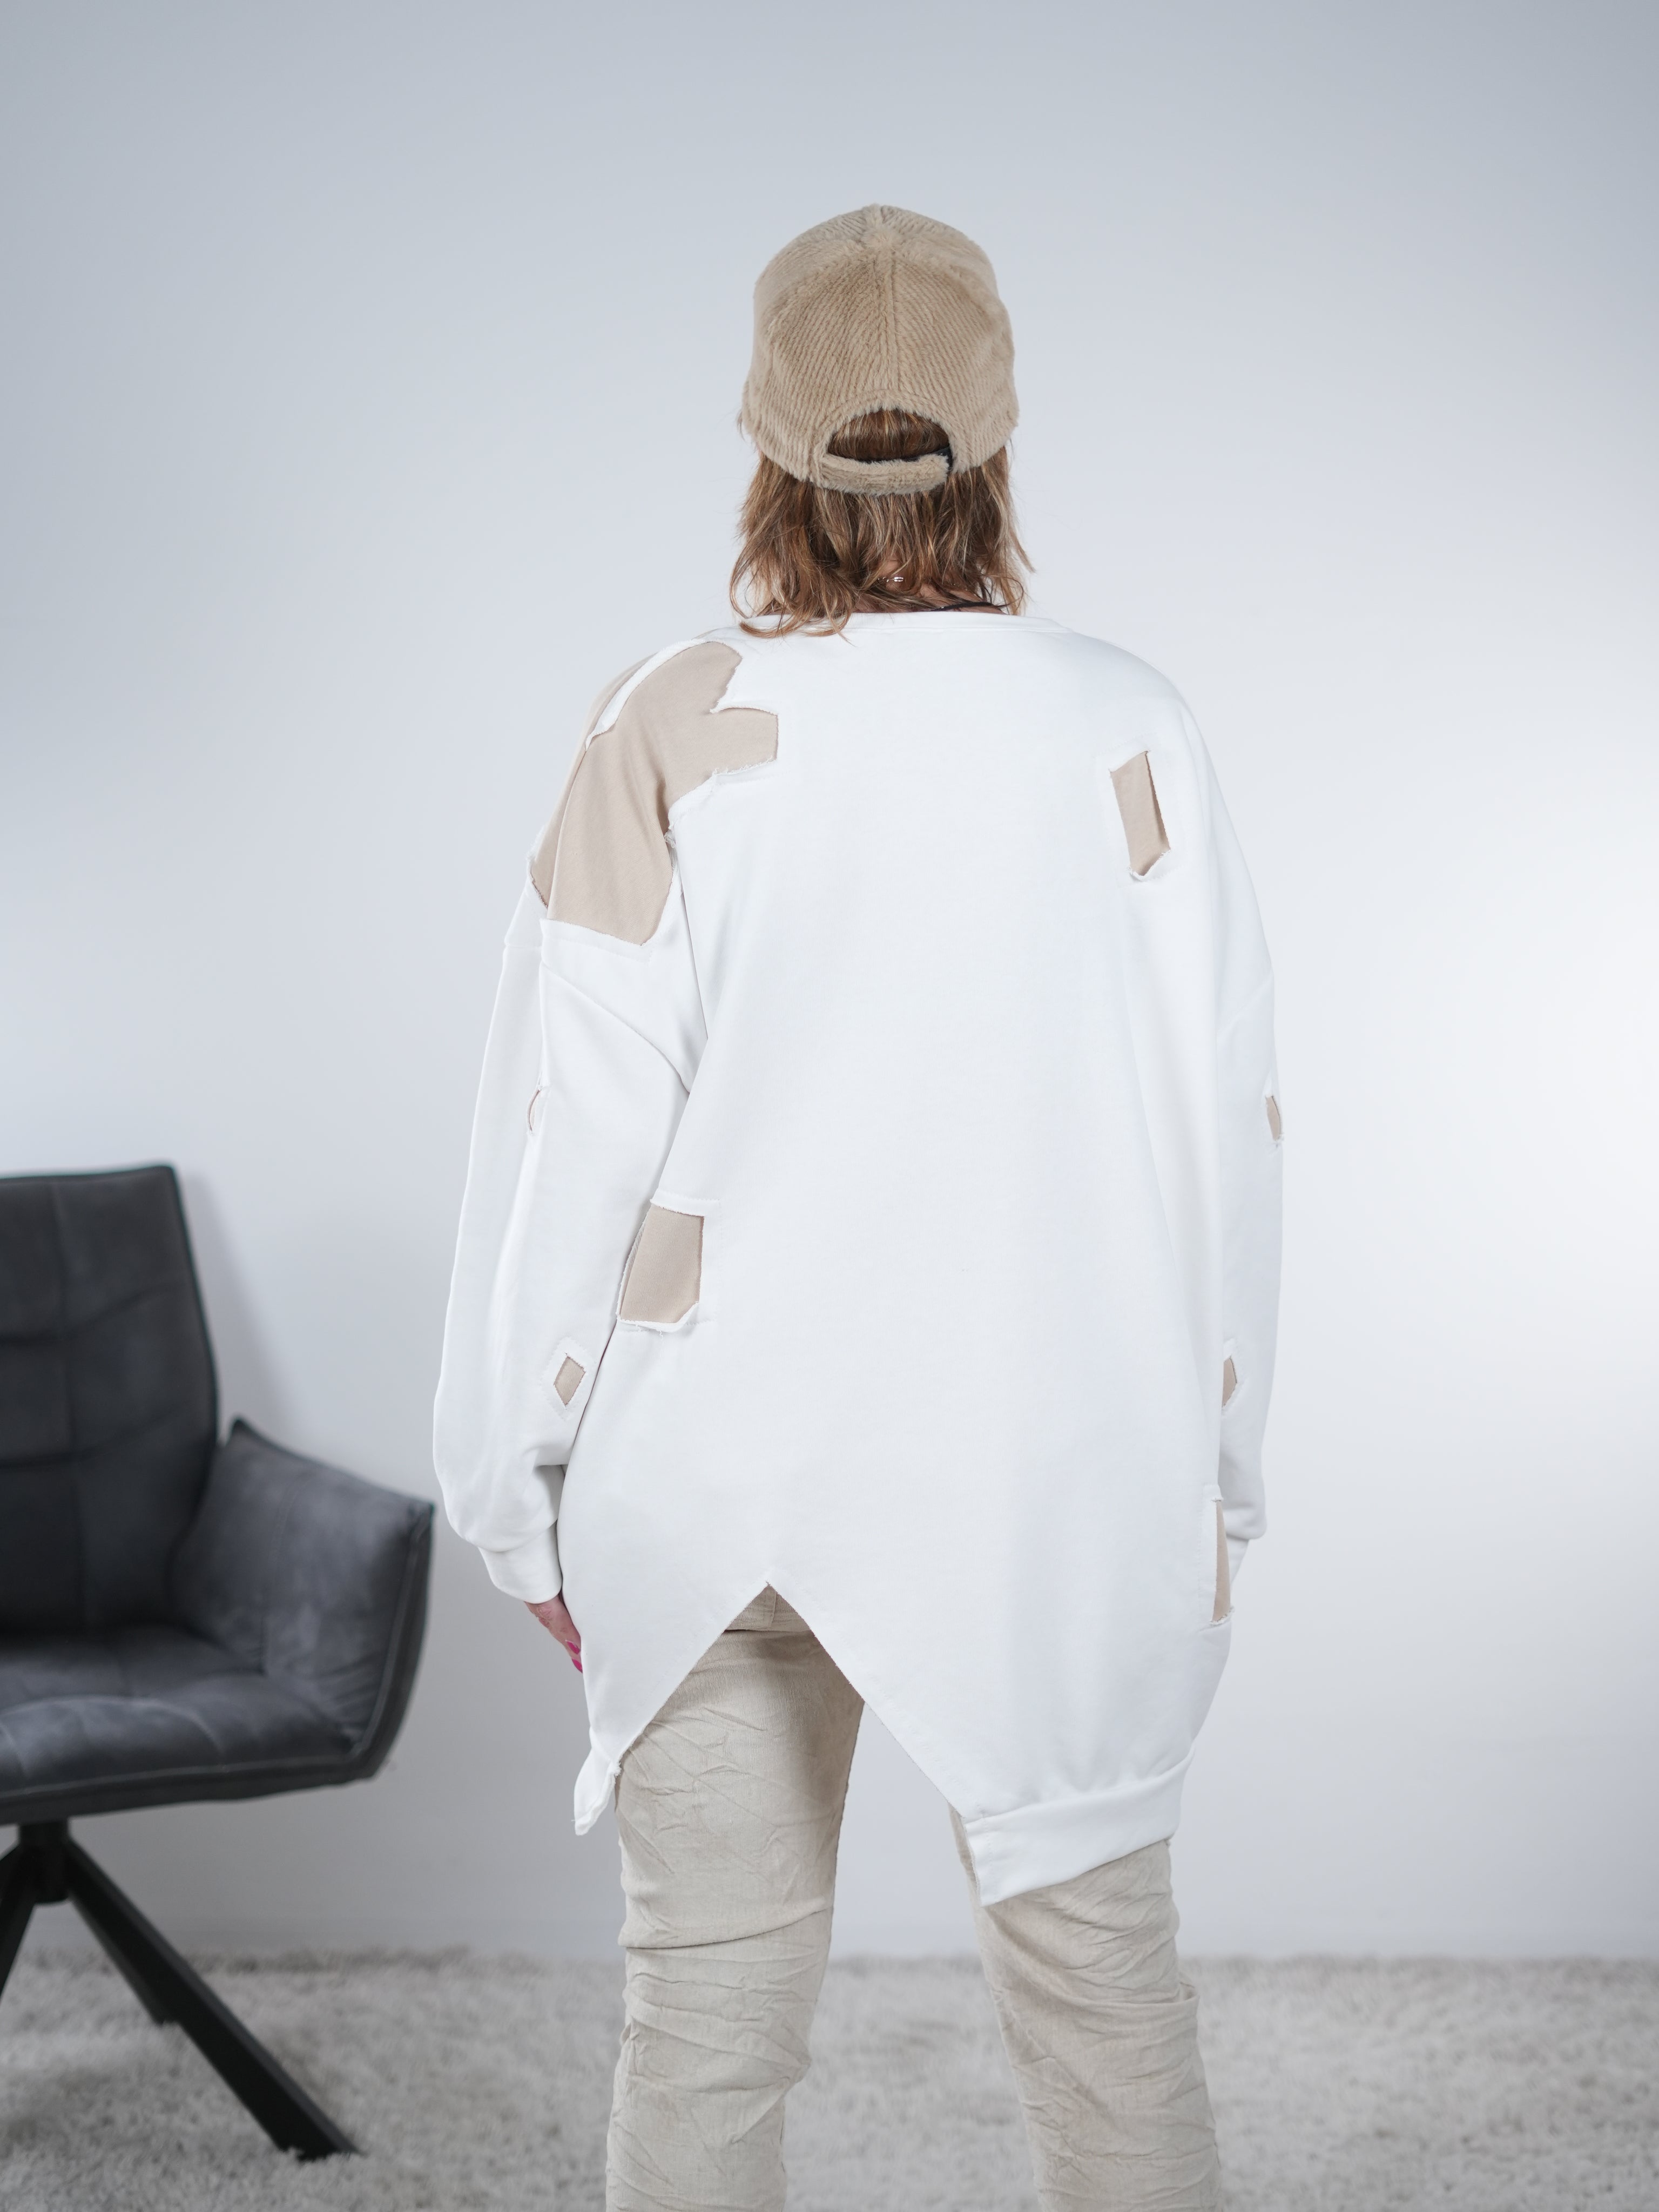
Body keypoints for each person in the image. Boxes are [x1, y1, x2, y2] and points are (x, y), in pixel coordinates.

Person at [434, 203, 1281, 2212]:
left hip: (723, 1470)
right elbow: (1225, 1136)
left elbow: (568, 1131)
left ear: (764, 443)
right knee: (1108, 2012)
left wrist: (509, 1486)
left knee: (707, 2031)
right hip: (1060, 1474)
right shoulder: (1130, 722)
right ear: (1000, 444)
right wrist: (1221, 1477)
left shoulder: (667, 720)